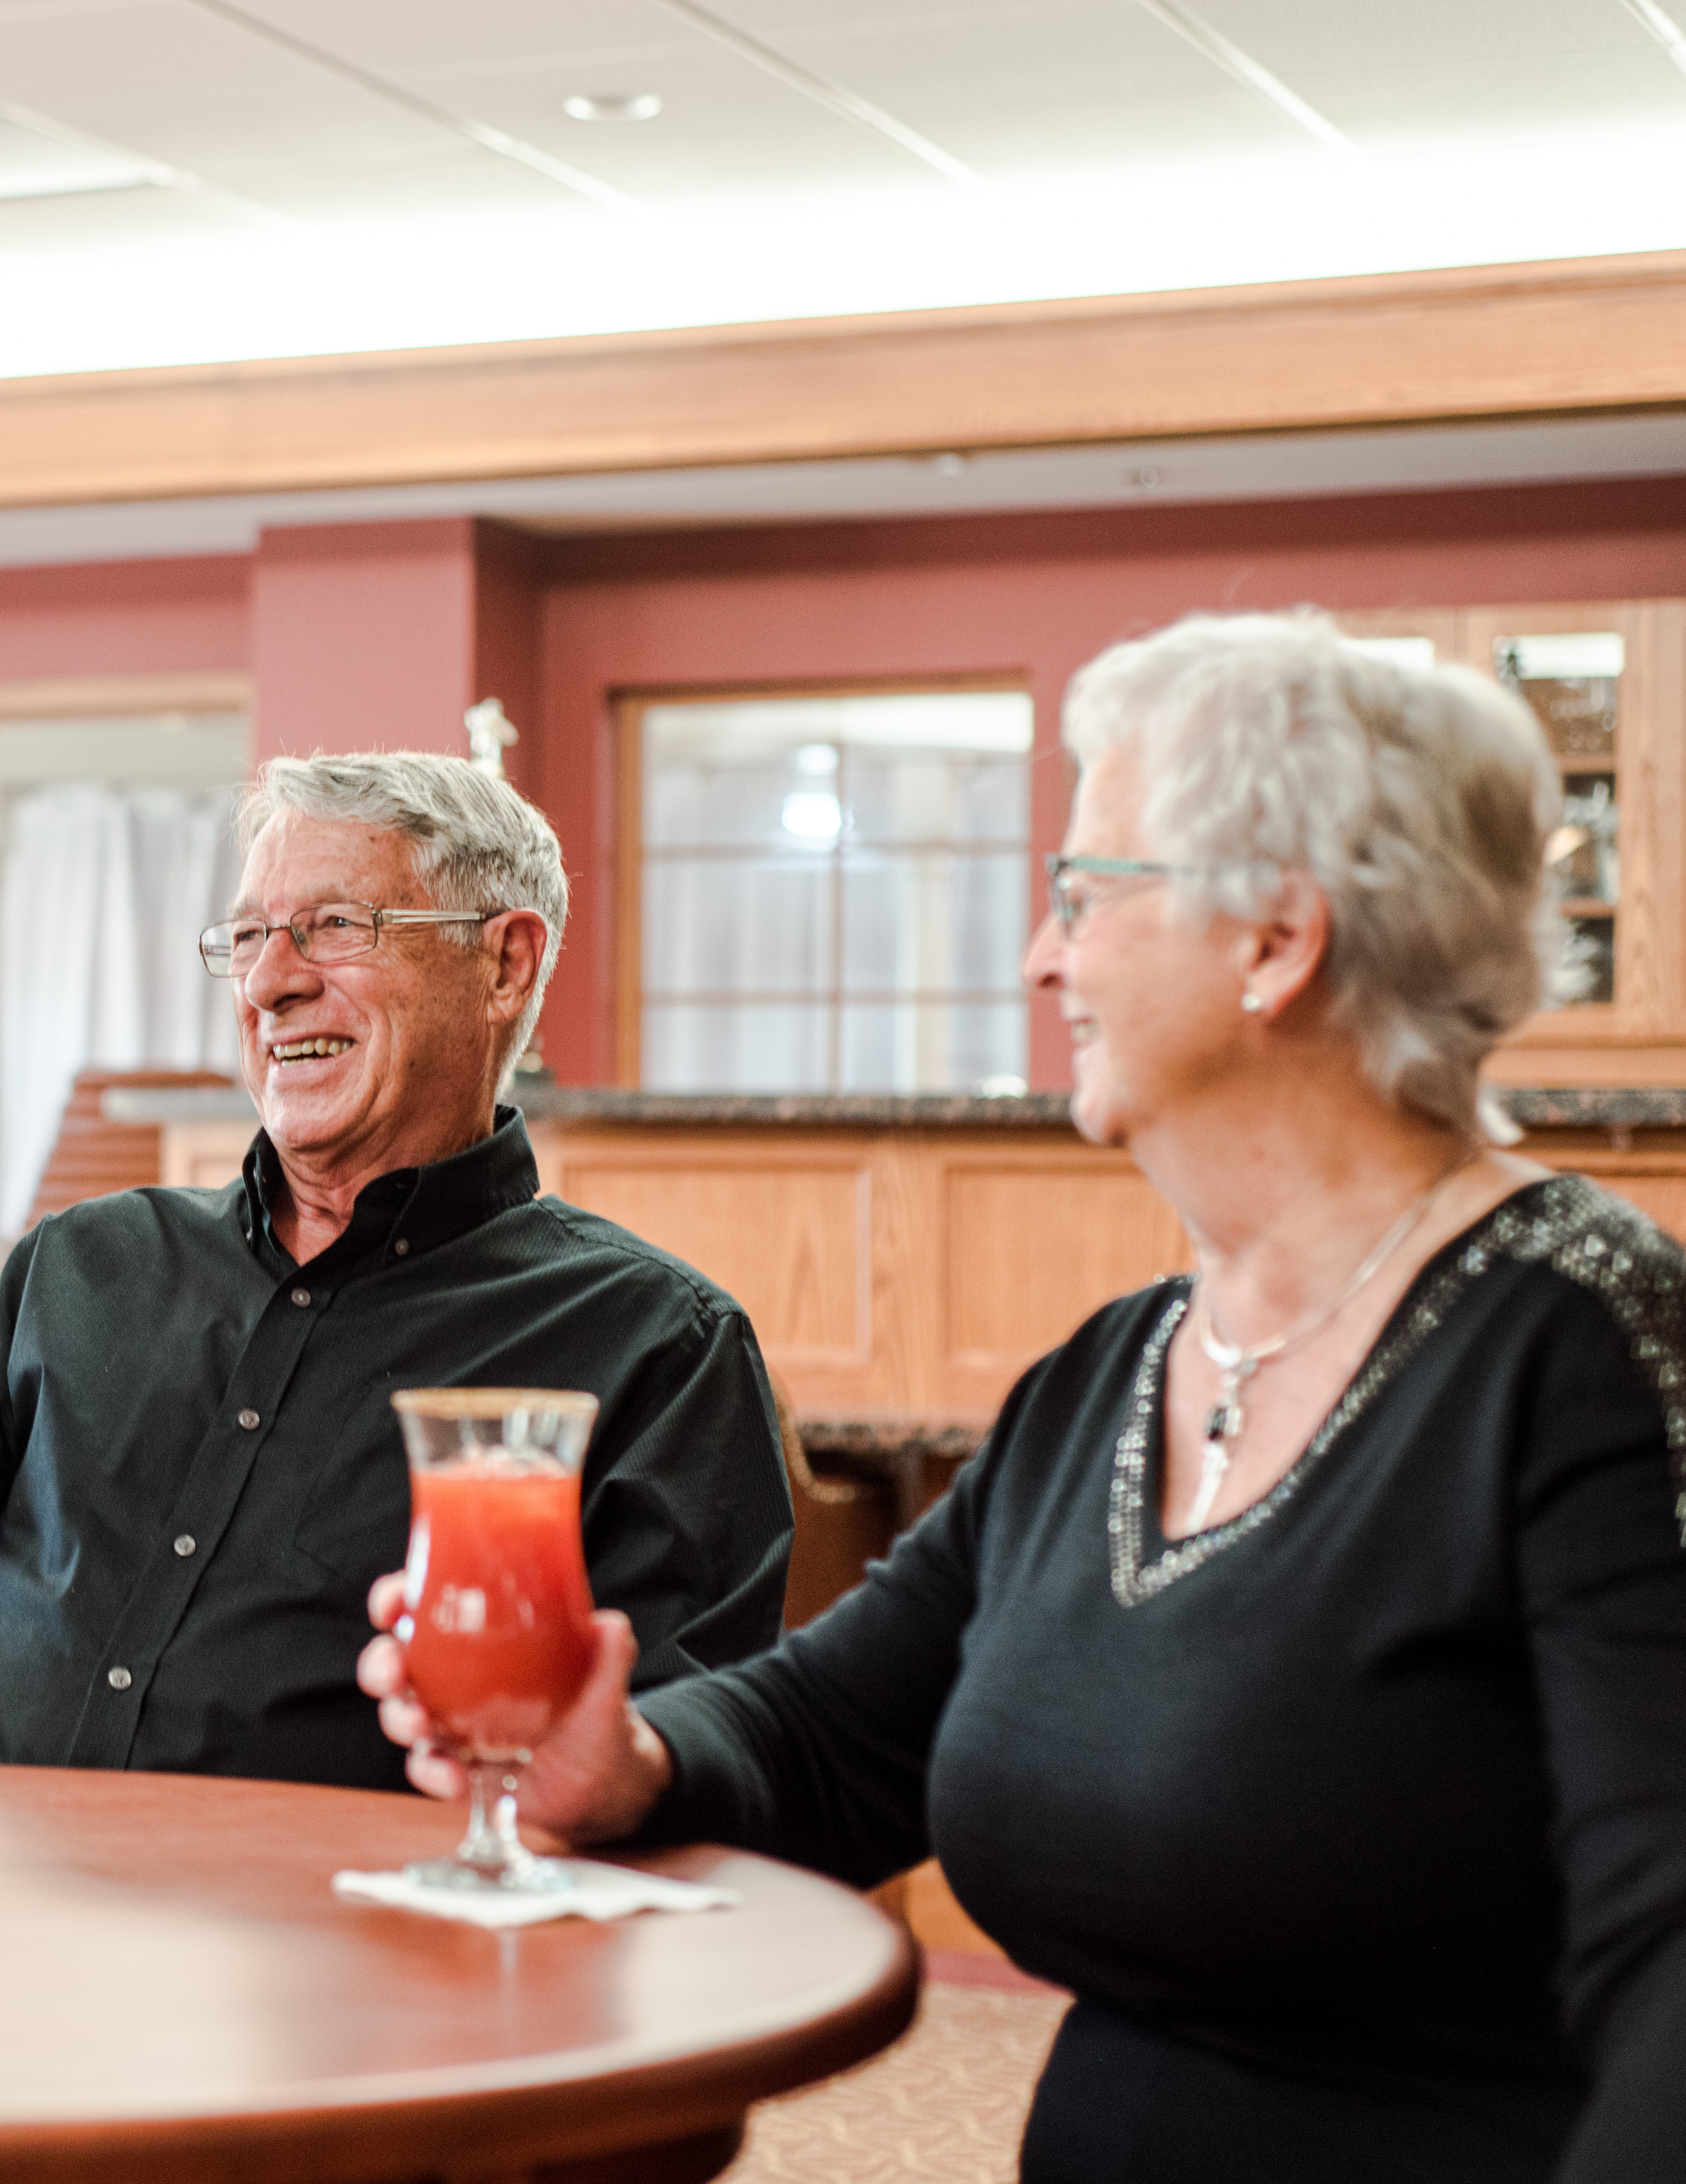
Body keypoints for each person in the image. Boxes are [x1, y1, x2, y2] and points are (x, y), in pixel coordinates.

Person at [361, 612, 1686, 2184]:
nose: (1040, 955)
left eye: (1085, 892)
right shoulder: (1117, 1372)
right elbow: (844, 1727)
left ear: (1277, 940)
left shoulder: (1587, 1341)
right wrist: (629, 1764)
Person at [0, 749, 793, 1784]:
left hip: (343, 2001)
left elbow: (665, 1762)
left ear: (502, 962)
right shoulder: (81, 1266)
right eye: (246, 940)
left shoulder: (653, 1348)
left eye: (332, 926)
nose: (271, 984)